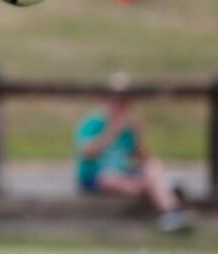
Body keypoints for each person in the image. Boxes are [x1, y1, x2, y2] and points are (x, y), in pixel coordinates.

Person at [74, 74, 191, 233]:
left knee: (154, 166)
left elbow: (143, 157)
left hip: (123, 173)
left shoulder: (129, 126)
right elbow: (88, 153)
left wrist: (137, 136)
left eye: (124, 102)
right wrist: (112, 131)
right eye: (117, 101)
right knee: (109, 178)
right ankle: (161, 189)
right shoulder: (93, 123)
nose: (121, 106)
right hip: (96, 176)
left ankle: (172, 213)